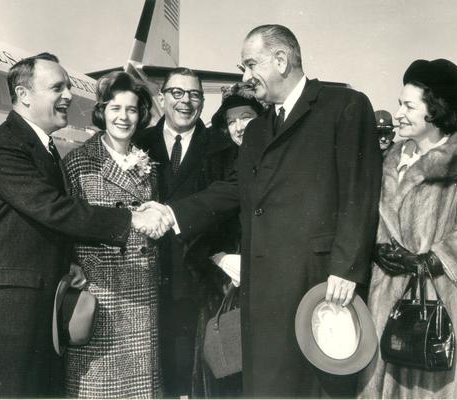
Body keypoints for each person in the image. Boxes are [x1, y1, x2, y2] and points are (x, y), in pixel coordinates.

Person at [140, 24, 382, 397]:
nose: (245, 77)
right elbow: (235, 189)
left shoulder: (343, 106)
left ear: (281, 60)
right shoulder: (258, 131)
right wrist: (172, 213)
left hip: (317, 282)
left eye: (250, 65)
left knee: (314, 387)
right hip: (262, 286)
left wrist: (346, 268)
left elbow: (359, 191)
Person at [0, 53, 170, 397]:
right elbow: (53, 208)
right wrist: (131, 218)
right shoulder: (5, 146)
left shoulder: (40, 146)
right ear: (25, 94)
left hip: (43, 293)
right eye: (57, 87)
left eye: (68, 87)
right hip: (13, 304)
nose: (69, 96)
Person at [358, 59, 457, 398]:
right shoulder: (389, 162)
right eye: (399, 104)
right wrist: (377, 248)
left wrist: (432, 260)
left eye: (409, 105)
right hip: (390, 308)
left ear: (436, 110)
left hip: (448, 313)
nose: (399, 114)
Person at [63, 71, 162, 397]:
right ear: (102, 111)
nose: (123, 117)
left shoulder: (146, 162)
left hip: (141, 291)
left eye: (132, 110)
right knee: (100, 386)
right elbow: (66, 223)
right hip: (101, 293)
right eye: (115, 108)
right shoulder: (79, 162)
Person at [136, 67, 234, 397]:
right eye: (177, 93)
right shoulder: (138, 143)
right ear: (161, 98)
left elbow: (231, 202)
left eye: (194, 95)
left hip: (198, 280)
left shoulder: (222, 148)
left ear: (203, 103)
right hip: (143, 276)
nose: (185, 101)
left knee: (188, 371)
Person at [190, 84, 264, 398]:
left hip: (268, 282)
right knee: (224, 369)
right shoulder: (214, 163)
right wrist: (218, 257)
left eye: (246, 116)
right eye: (231, 120)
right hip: (223, 287)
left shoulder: (281, 159)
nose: (238, 126)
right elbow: (197, 222)